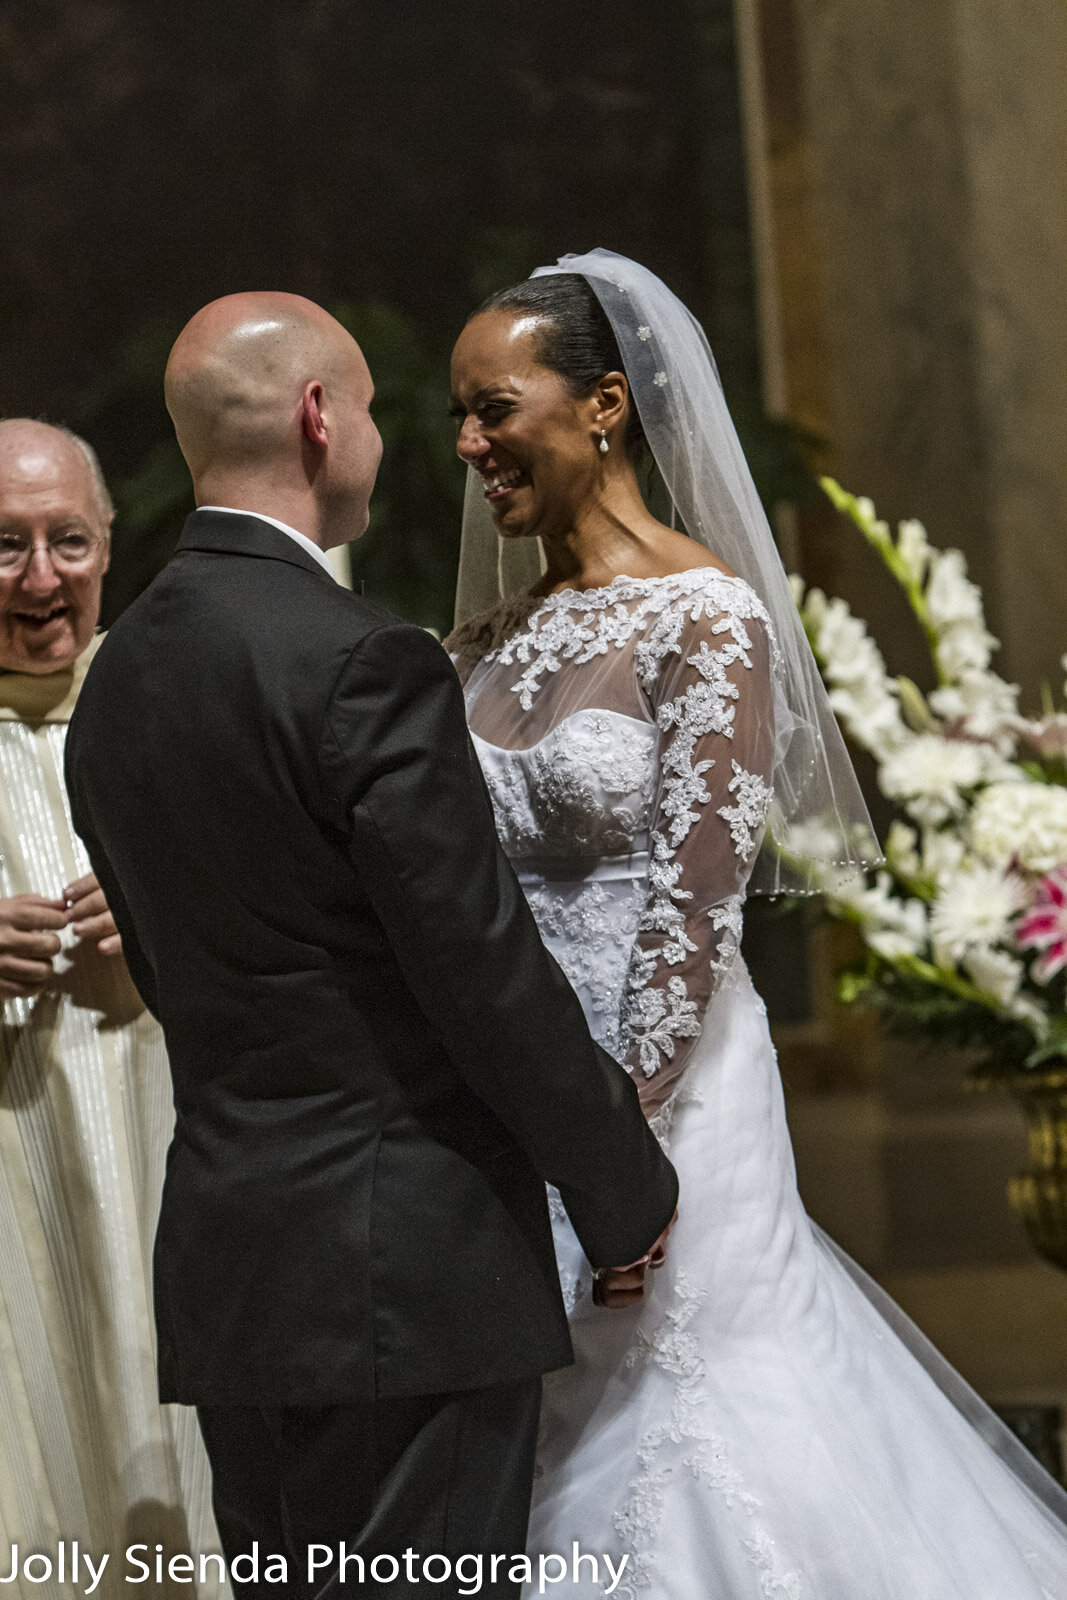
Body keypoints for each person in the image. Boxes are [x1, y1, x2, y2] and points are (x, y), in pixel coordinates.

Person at [445, 250, 1067, 1598]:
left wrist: (614, 1153)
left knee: (674, 1415)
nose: (467, 443)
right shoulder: (483, 643)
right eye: (459, 414)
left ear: (602, 406)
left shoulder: (703, 618)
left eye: (493, 407)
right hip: (515, 1099)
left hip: (657, 1100)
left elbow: (690, 911)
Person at [63, 292, 678, 1600]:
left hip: (236, 1269)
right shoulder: (356, 662)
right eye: (387, 418)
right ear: (316, 418)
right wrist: (622, 1188)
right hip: (401, 1278)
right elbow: (478, 969)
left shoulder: (117, 681)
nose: (405, 447)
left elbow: (182, 980)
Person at [0, 419, 220, 1597]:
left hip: (174, 1158)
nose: (42, 579)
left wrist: (177, 919)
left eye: (68, 540)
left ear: (108, 549)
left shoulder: (177, 710)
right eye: (3, 547)